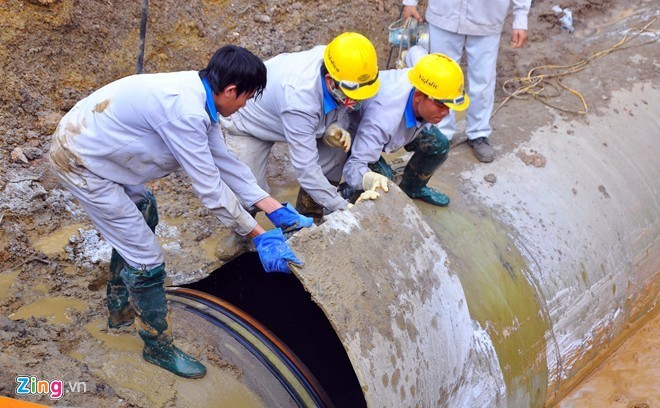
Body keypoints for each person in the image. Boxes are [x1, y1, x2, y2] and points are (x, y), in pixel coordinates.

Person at [48, 45, 314, 379]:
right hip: (82, 161)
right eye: (247, 97)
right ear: (230, 90)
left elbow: (226, 163)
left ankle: (120, 309)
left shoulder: (201, 97)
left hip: (99, 149)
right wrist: (259, 236)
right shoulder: (184, 112)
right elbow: (211, 189)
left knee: (145, 211)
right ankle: (157, 346)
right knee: (148, 260)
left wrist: (273, 208)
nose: (246, 105)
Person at [221, 32, 380, 220]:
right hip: (250, 123)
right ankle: (241, 236)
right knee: (248, 191)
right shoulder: (299, 98)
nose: (356, 101)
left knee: (338, 149)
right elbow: (306, 169)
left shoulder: (342, 65)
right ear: (330, 80)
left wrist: (336, 125)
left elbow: (345, 108)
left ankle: (310, 216)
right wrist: (344, 208)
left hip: (294, 115)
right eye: (352, 96)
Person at [403, 0, 531, 162]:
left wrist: (521, 18)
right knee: (439, 77)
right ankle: (439, 133)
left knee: (483, 80)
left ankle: (479, 133)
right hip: (445, 12)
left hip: (487, 17)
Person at [341, 53, 469, 206]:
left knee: (438, 144)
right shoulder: (383, 117)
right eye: (441, 105)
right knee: (382, 179)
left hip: (397, 125)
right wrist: (369, 179)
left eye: (449, 106)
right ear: (419, 96)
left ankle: (412, 188)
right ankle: (351, 197)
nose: (446, 112)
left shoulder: (424, 81)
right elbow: (354, 166)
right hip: (356, 134)